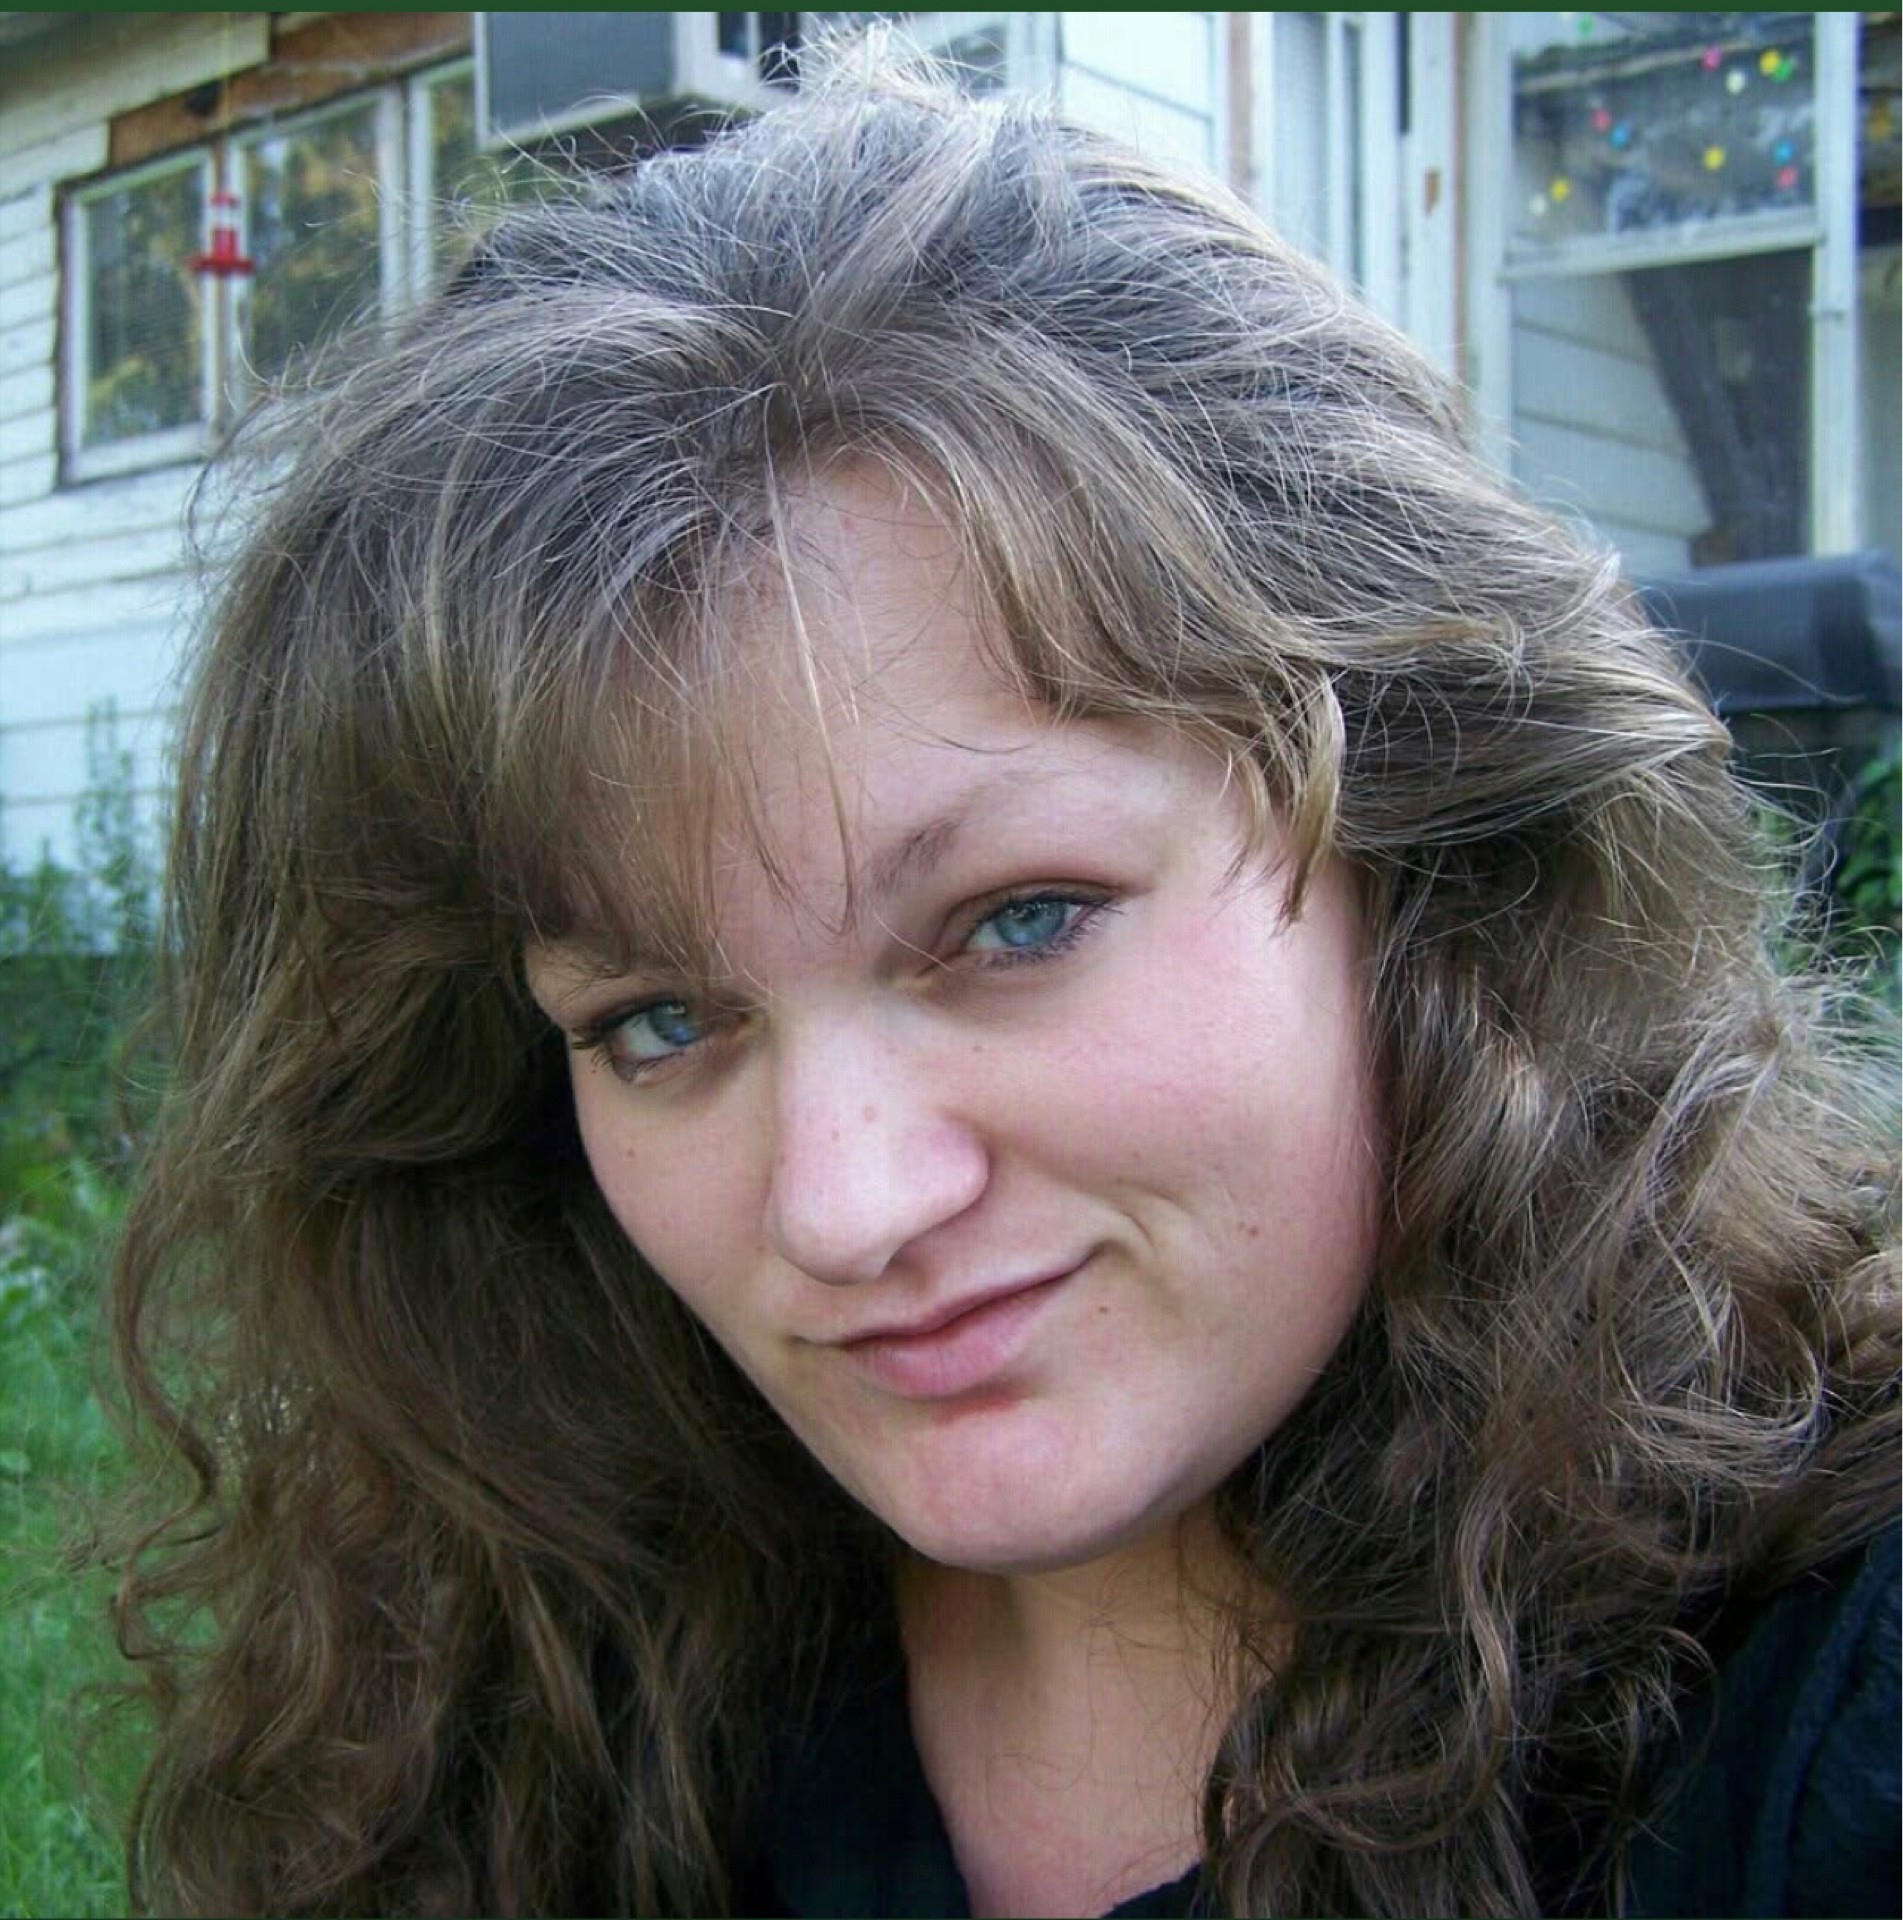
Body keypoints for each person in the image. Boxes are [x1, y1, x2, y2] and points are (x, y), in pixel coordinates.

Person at [109, 40, 1898, 1920]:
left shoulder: (1830, 1703)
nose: (845, 1207)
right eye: (659, 1022)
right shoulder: (552, 1701)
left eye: (1021, 921)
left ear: (1424, 845)